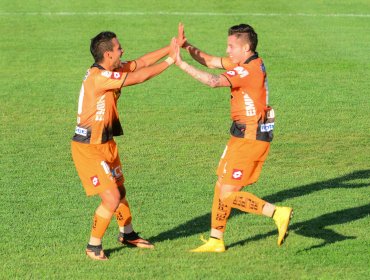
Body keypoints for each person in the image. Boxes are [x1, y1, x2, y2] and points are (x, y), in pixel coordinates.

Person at [175, 23, 293, 252]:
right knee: (221, 185)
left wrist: (179, 63)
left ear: (246, 47)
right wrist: (187, 46)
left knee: (228, 194)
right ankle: (216, 240)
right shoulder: (245, 62)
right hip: (240, 134)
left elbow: (212, 81)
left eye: (231, 46)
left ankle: (277, 213)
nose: (227, 51)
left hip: (251, 137)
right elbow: (211, 61)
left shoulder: (247, 71)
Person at [71, 31, 177, 260]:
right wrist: (171, 61)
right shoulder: (99, 77)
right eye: (119, 48)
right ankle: (93, 246)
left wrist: (171, 48)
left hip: (105, 143)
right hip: (88, 147)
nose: (123, 51)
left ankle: (127, 235)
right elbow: (139, 76)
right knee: (110, 199)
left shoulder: (110, 69)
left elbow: (142, 63)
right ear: (108, 54)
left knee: (120, 191)